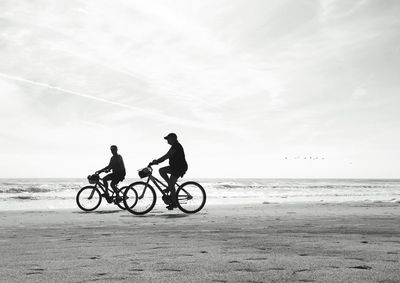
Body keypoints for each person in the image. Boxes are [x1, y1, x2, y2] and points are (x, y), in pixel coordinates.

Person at [150, 133, 188, 209]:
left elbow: (167, 156)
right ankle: (170, 186)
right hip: (174, 167)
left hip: (179, 168)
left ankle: (175, 203)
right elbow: (167, 155)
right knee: (162, 170)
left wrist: (157, 161)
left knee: (171, 184)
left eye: (168, 138)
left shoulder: (176, 146)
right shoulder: (174, 146)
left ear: (173, 138)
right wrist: (157, 161)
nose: (167, 140)